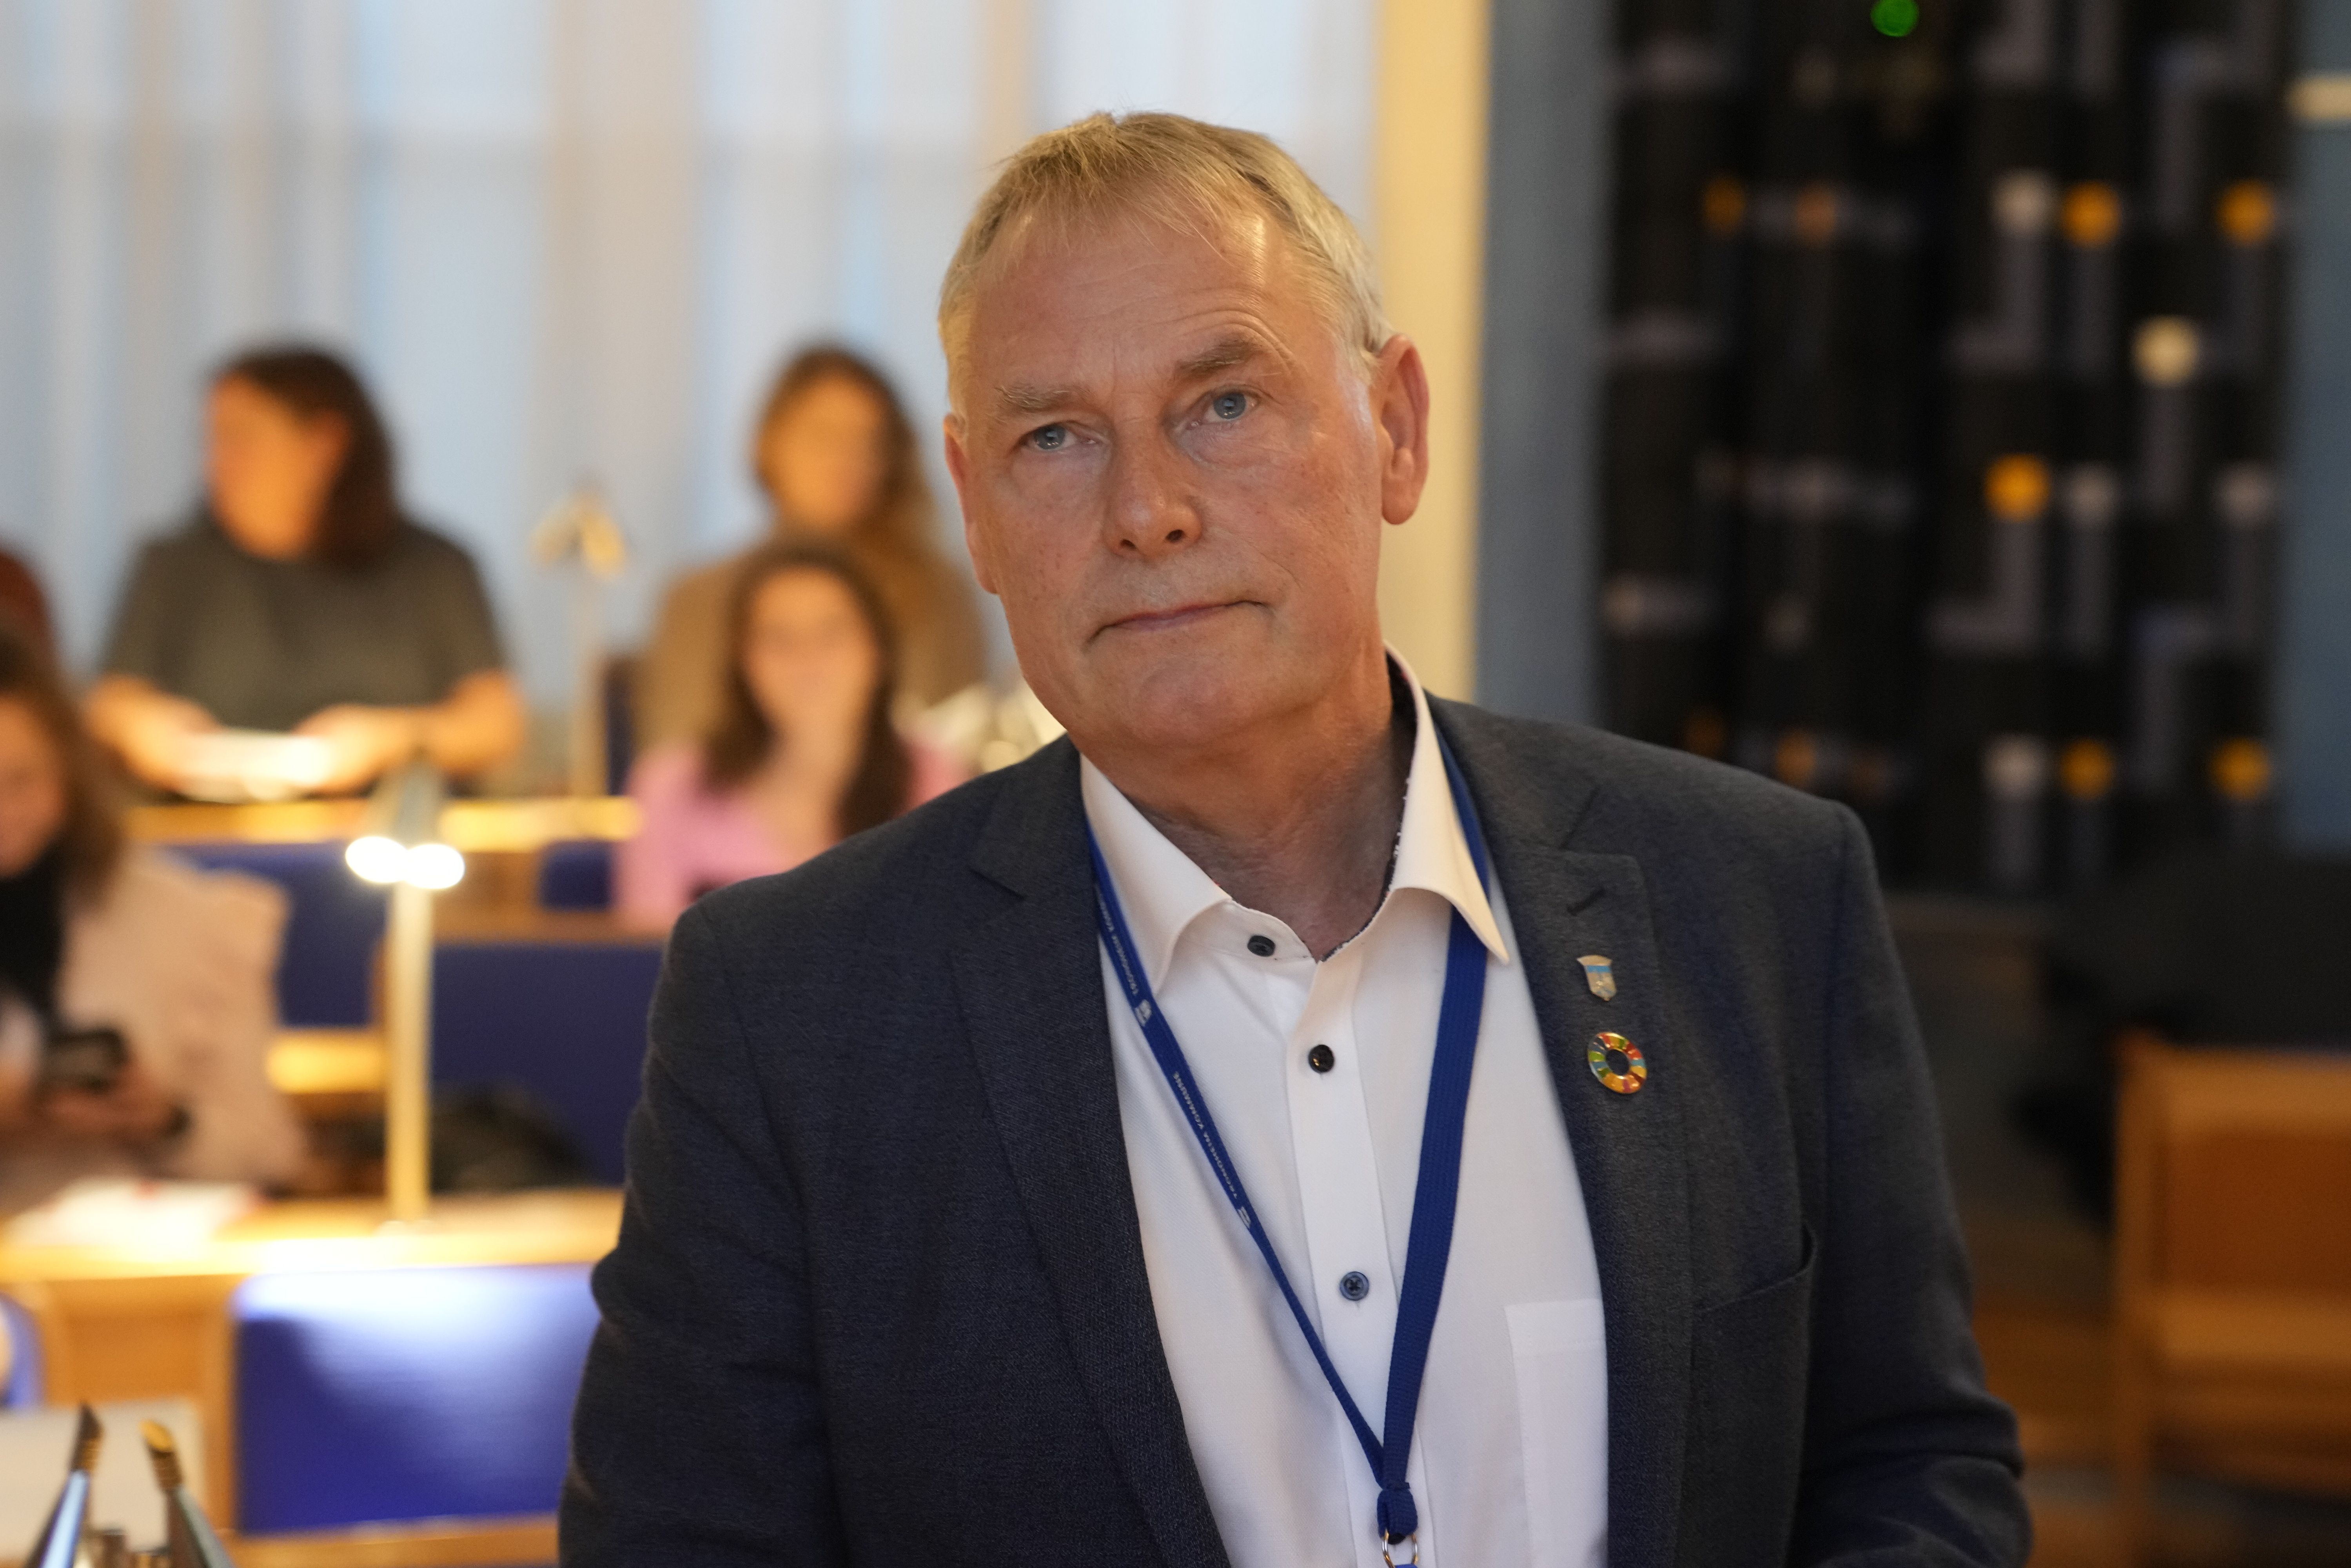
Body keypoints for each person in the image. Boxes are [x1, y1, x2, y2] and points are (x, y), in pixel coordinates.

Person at [563, 114, 2028, 1567]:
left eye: (1225, 404)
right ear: (977, 512)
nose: (1147, 510)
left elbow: (1907, 1468)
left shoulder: (1756, 897)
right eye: (1054, 437)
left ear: (1395, 429)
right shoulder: (791, 1010)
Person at [87, 345, 524, 797]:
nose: (218, 463)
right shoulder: (171, 565)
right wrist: (145, 726)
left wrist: (387, 739)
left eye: (241, 439)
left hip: (383, 824)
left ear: (324, 445)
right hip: (201, 827)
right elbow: (110, 704)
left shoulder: (434, 567)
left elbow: (495, 726)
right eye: (213, 440)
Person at [0, 623, 301, 1214]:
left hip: (141, 1251)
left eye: (18, 780)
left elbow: (268, 1151)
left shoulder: (188, 918)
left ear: (66, 772)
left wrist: (166, 1120)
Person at [633, 346, 987, 753]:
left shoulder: (936, 591)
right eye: (823, 435)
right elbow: (681, 754)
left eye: (868, 441)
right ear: (770, 442)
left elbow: (962, 742)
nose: (846, 458)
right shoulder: (699, 599)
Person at [615, 544, 965, 926]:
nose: (807, 658)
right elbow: (652, 953)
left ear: (878, 651)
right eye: (779, 637)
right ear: (742, 661)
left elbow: (948, 938)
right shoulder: (672, 786)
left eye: (831, 633)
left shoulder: (931, 780)